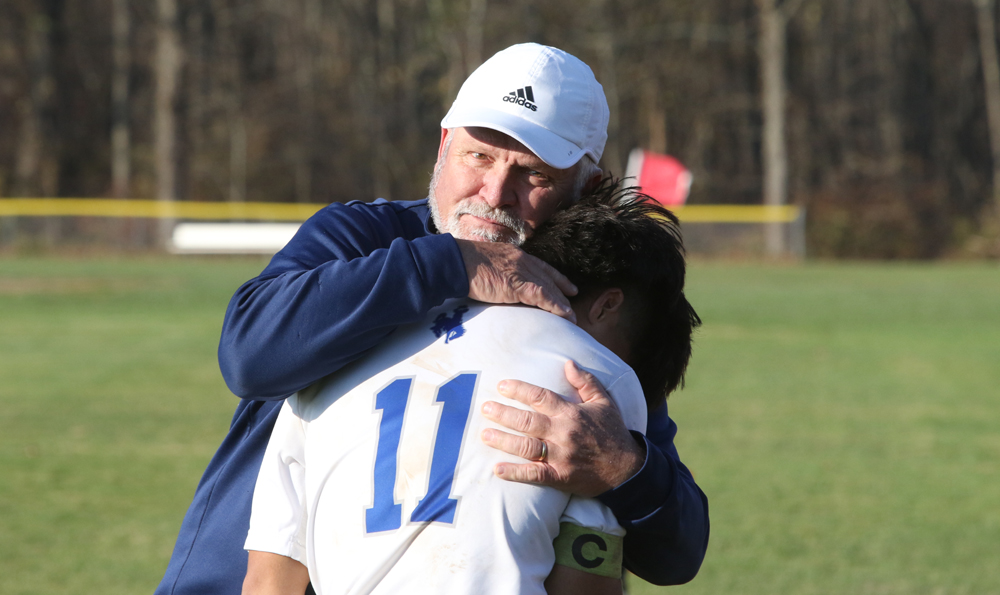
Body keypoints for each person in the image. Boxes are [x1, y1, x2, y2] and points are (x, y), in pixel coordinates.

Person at [155, 43, 708, 595]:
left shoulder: (592, 315)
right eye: (479, 156)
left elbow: (678, 551)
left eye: (532, 174)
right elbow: (250, 356)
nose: (495, 194)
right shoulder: (359, 238)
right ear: (444, 147)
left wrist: (622, 467)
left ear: (585, 190)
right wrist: (452, 263)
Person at [240, 180, 701, 595]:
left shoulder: (335, 356)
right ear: (608, 305)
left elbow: (267, 581)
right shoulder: (594, 387)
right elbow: (587, 585)